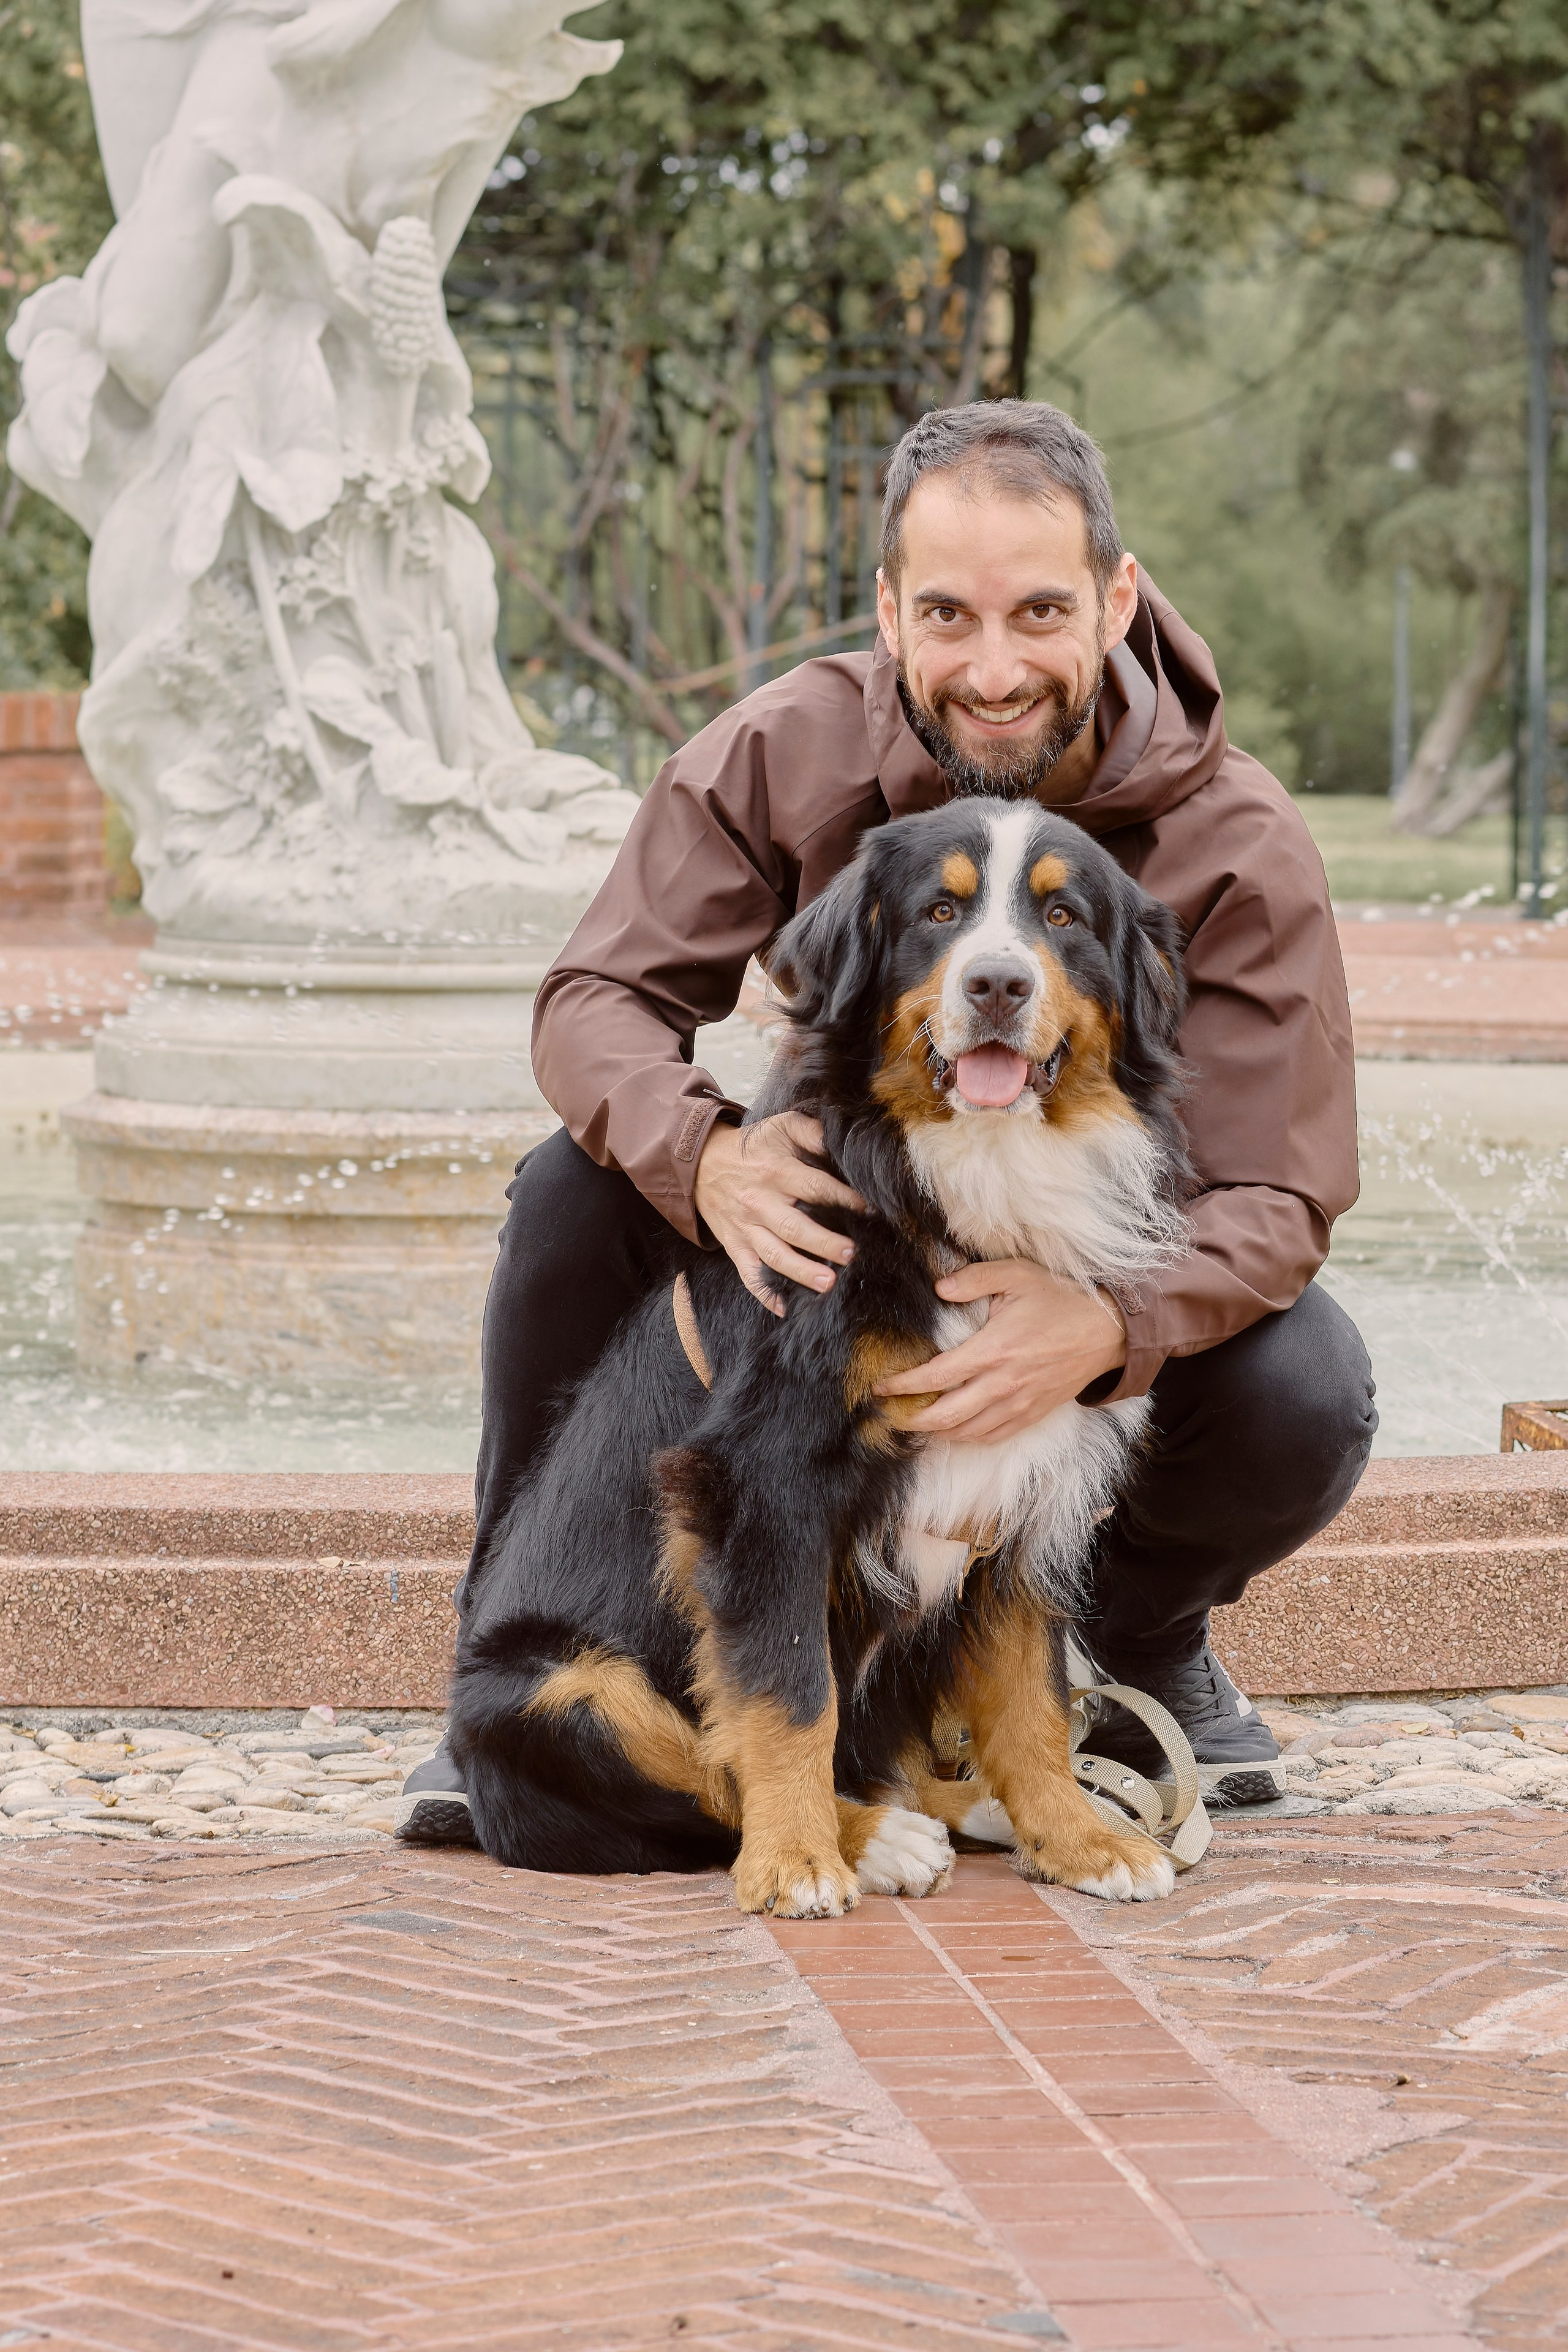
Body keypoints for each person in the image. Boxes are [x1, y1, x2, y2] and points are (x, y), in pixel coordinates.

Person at [396, 398, 1375, 1849]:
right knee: (570, 1190)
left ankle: (1135, 1640)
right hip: (849, 1232)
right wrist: (706, 1153)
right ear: (886, 611)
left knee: (1307, 1376)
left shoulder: (1234, 838)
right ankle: (514, 1650)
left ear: (1115, 597)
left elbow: (1280, 1198)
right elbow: (594, 997)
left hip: (1093, 1253)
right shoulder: (782, 747)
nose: (992, 668)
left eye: (1040, 610)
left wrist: (1110, 1322)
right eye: (946, 614)